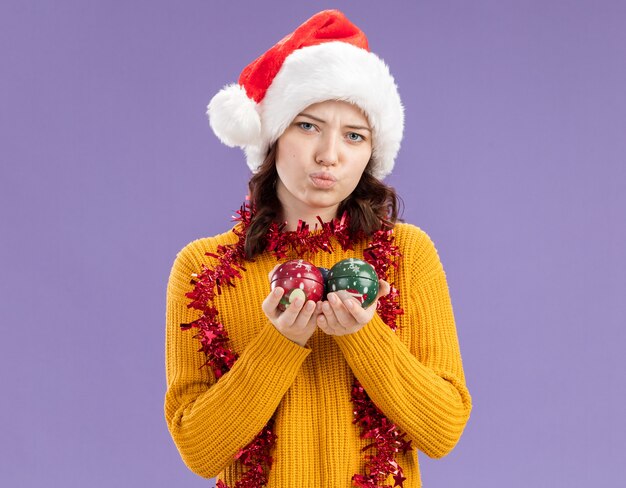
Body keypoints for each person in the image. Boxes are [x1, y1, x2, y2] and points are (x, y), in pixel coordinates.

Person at [164, 9, 472, 488]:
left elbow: (444, 429)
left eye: (354, 135)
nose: (330, 154)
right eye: (308, 126)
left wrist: (364, 335)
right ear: (273, 134)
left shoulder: (408, 254)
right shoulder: (202, 268)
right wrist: (279, 343)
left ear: (372, 151)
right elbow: (200, 451)